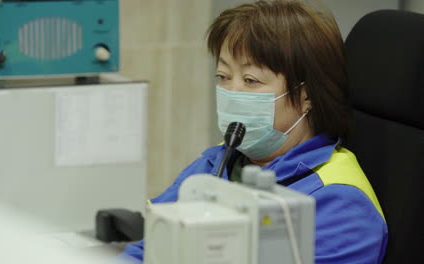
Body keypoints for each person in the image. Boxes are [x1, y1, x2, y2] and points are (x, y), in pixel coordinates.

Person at [121, 0, 388, 263]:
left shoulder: (341, 204)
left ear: (307, 96)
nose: (232, 92)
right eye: (223, 76)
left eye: (251, 80)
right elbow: (143, 244)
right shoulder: (218, 164)